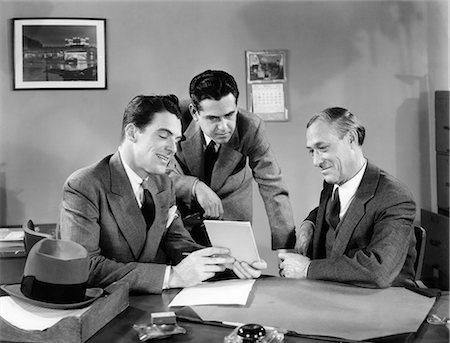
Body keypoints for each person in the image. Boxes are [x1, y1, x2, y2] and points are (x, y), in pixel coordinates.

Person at [59, 94, 266, 294]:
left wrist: (225, 262)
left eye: (176, 139)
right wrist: (172, 276)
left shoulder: (164, 183)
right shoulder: (84, 185)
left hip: (155, 304)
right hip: (108, 308)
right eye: (163, 135)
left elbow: (176, 241)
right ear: (132, 133)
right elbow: (85, 267)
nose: (173, 149)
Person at [278, 107, 416, 288]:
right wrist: (309, 223)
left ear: (351, 139)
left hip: (381, 304)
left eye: (322, 148)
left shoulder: (395, 198)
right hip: (333, 294)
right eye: (311, 151)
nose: (316, 161)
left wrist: (307, 269)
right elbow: (332, 210)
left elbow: (378, 270)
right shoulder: (332, 182)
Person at [167, 70, 296, 250]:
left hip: (232, 215)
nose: (224, 127)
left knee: (238, 274)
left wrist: (286, 248)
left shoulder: (251, 127)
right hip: (184, 214)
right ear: (194, 112)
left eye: (229, 115)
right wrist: (194, 187)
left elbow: (273, 185)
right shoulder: (174, 117)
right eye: (213, 118)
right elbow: (155, 173)